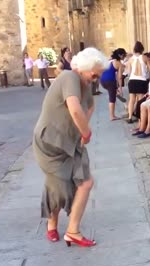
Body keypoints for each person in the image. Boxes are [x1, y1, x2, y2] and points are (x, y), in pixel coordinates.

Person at [32, 47, 110, 247]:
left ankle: (72, 231)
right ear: (84, 68)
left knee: (85, 182)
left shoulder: (85, 84)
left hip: (71, 142)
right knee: (59, 187)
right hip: (51, 142)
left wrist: (81, 131)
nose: (95, 79)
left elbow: (89, 106)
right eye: (94, 75)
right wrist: (86, 132)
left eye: (98, 76)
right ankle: (52, 224)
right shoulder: (69, 77)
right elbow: (75, 109)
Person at [100, 48, 127, 121]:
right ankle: (112, 116)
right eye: (124, 55)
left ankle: (115, 91)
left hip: (102, 80)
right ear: (120, 55)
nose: (124, 57)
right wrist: (120, 88)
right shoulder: (119, 64)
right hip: (110, 81)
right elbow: (119, 77)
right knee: (112, 99)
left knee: (112, 91)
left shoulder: (110, 60)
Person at [125, 41, 149, 124]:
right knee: (140, 100)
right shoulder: (145, 57)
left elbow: (129, 72)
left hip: (132, 80)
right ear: (142, 49)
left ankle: (130, 117)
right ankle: (140, 119)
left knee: (131, 99)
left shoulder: (130, 59)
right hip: (142, 80)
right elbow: (149, 70)